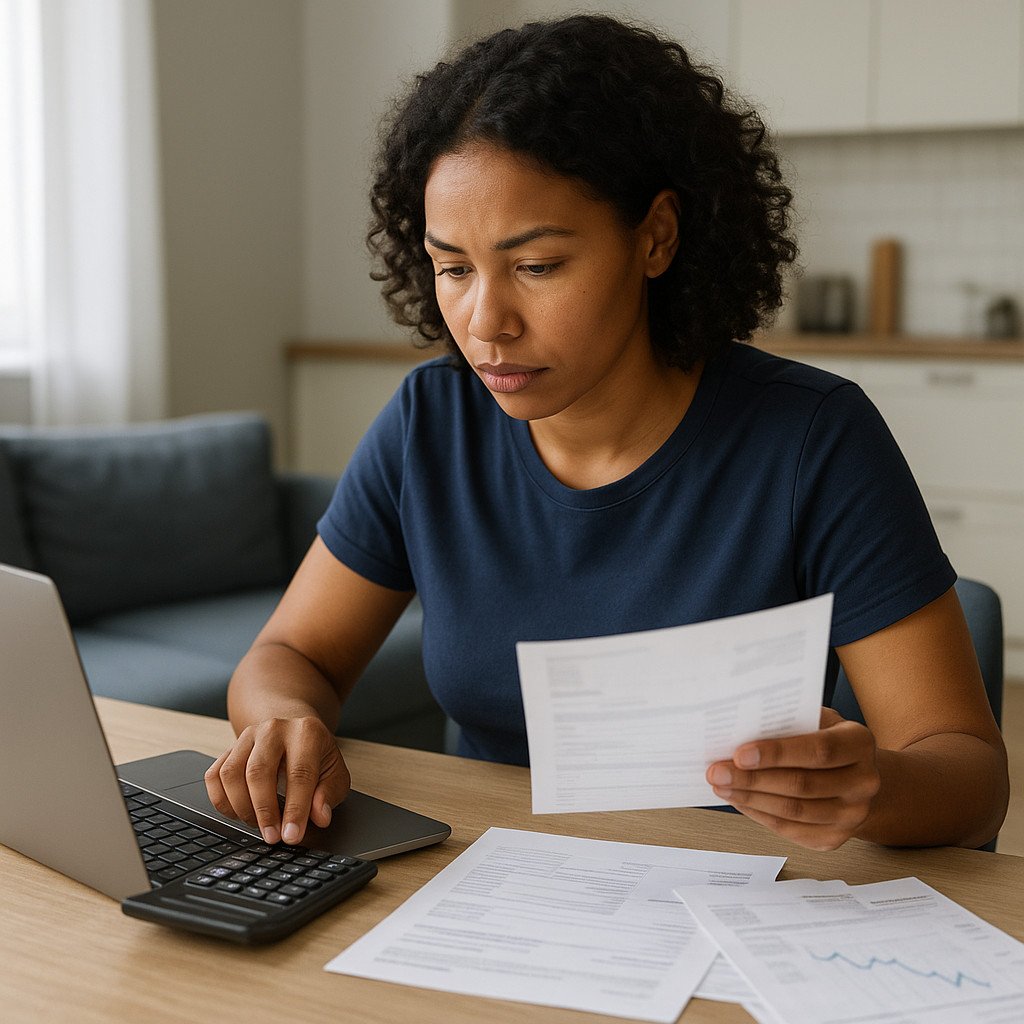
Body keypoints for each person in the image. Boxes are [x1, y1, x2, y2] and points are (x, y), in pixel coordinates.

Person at [204, 14, 1007, 853]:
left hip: (740, 905)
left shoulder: (811, 440)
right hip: (484, 891)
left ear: (656, 236)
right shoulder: (429, 423)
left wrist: (871, 788)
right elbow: (292, 653)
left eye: (538, 266)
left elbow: (969, 775)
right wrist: (282, 724)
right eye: (453, 268)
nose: (486, 323)